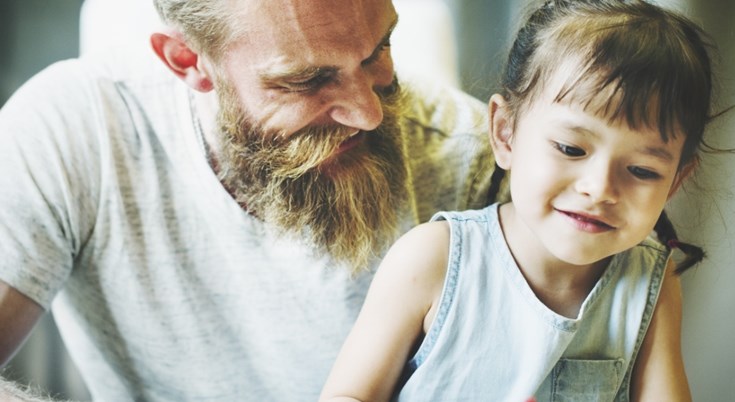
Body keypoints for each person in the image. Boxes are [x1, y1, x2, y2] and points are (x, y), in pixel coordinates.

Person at [0, 0, 506, 400]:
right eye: (307, 80)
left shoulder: (480, 164)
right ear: (189, 61)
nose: (368, 112)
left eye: (378, 49)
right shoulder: (73, 131)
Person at [319, 0, 719, 400]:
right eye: (570, 148)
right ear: (505, 132)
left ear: (674, 182)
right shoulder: (431, 258)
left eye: (643, 171)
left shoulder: (650, 282)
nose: (599, 189)